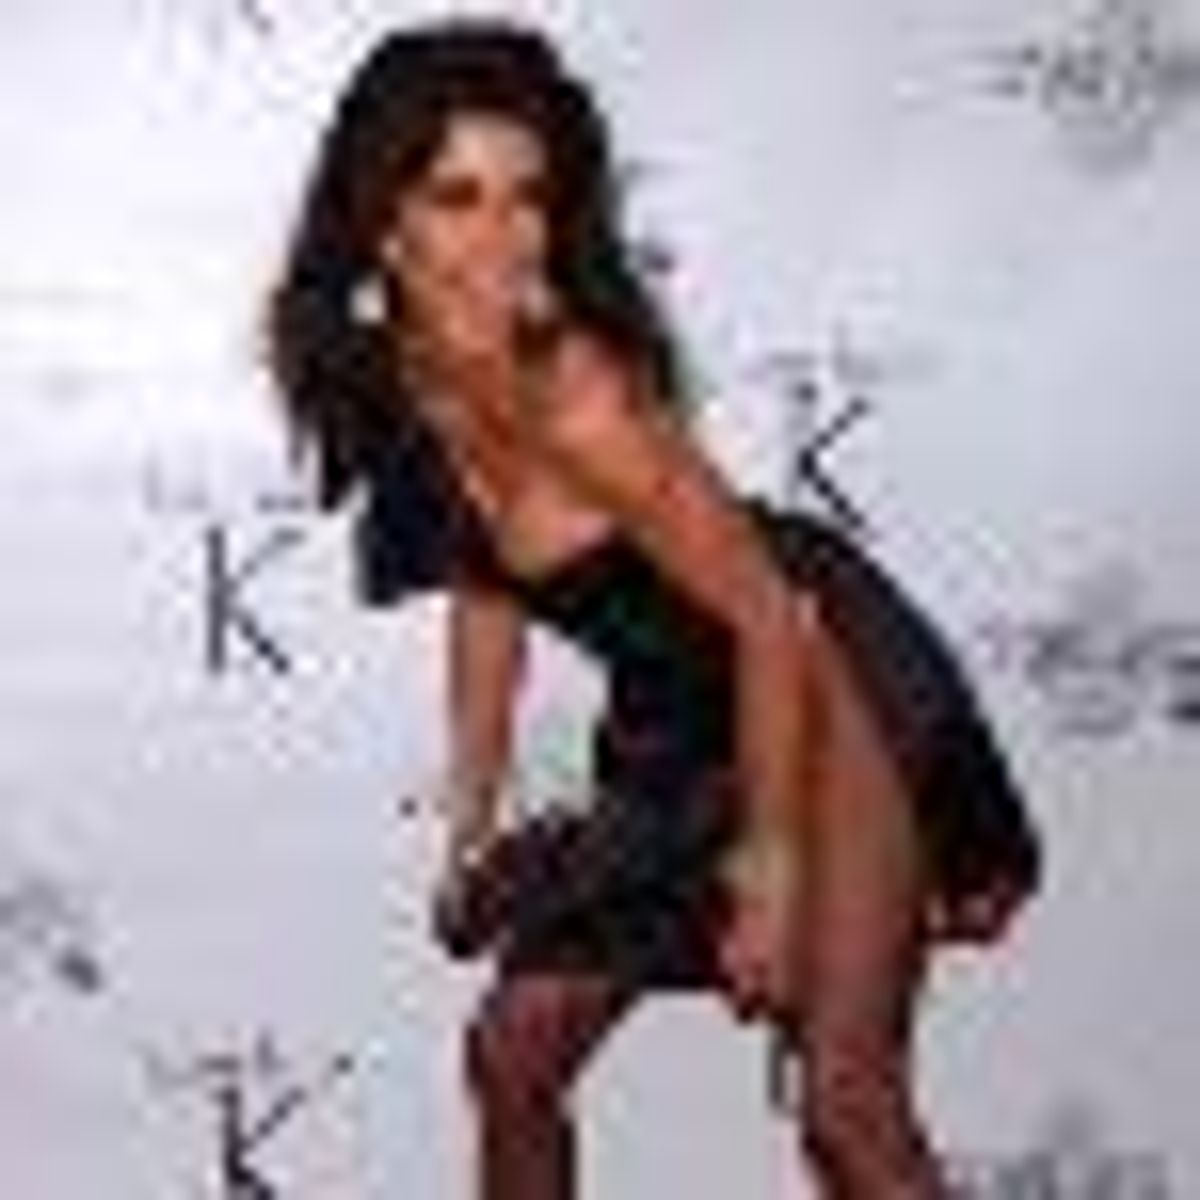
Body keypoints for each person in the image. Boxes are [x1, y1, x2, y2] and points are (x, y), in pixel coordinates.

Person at [265, 17, 1042, 1199]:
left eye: (529, 198)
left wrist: (771, 874)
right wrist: (469, 821)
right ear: (382, 220)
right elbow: (485, 594)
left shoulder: (584, 401)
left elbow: (774, 622)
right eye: (458, 198)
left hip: (822, 683)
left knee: (847, 1111)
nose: (504, 237)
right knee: (514, 1054)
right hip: (679, 723)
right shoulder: (405, 377)